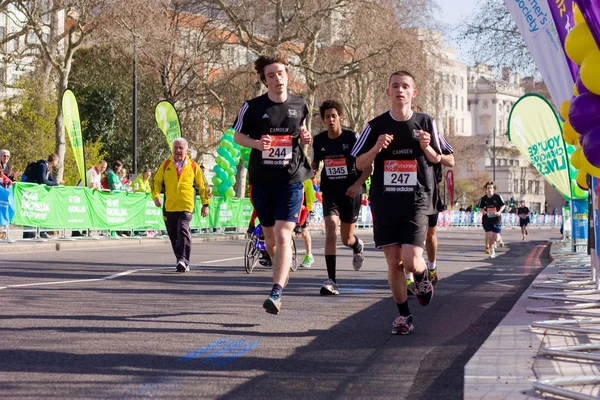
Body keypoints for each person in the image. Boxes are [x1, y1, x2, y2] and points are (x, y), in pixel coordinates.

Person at [352, 70, 441, 335]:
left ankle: (423, 277)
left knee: (411, 261)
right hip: (385, 202)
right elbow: (359, 163)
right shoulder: (375, 126)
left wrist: (426, 147)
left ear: (414, 93)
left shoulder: (426, 122)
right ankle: (404, 316)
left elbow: (439, 159)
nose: (400, 90)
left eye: (405, 86)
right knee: (393, 262)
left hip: (415, 200)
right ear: (388, 92)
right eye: (395, 86)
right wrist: (376, 148)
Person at [232, 52, 313, 315]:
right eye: (271, 75)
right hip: (262, 179)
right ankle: (281, 260)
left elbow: (302, 134)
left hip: (291, 179)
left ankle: (276, 292)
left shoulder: (301, 104)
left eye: (280, 73)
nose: (277, 78)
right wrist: (256, 143)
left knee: (283, 234)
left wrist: (306, 136)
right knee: (270, 239)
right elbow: (237, 136)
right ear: (264, 81)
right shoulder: (252, 107)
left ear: (287, 75)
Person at [311, 99, 371, 295]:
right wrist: (309, 172)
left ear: (340, 117)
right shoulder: (318, 140)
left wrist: (356, 185)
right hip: (330, 193)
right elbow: (314, 165)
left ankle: (357, 244)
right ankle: (331, 281)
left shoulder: (352, 137)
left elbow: (368, 166)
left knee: (346, 239)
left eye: (334, 116)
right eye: (327, 117)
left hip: (351, 193)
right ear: (323, 119)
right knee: (330, 230)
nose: (330, 120)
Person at [152, 138, 210, 272]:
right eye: (176, 148)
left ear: (186, 150)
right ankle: (181, 259)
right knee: (174, 235)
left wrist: (205, 204)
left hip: (186, 205)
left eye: (180, 148)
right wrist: (156, 196)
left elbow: (203, 186)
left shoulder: (194, 166)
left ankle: (183, 260)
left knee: (183, 230)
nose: (178, 151)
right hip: (170, 206)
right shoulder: (165, 165)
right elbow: (156, 182)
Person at [478, 181, 505, 258]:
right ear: (486, 189)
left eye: (491, 188)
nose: (489, 189)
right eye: (488, 188)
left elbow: (503, 206)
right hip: (487, 219)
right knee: (490, 236)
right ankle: (492, 252)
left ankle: (500, 240)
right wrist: (483, 211)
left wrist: (499, 212)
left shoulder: (498, 197)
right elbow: (479, 207)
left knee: (495, 237)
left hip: (496, 219)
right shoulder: (483, 199)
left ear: (493, 189)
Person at [297, 179, 316, 269]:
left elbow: (310, 196)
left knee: (303, 231)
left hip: (304, 209)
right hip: (293, 207)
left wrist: (309, 209)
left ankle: (309, 255)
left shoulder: (306, 180)